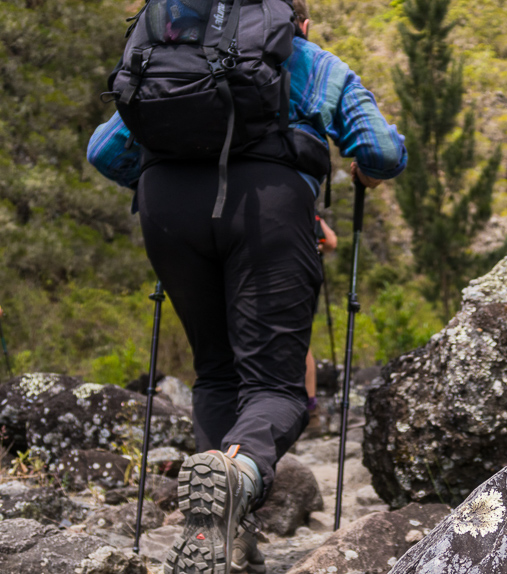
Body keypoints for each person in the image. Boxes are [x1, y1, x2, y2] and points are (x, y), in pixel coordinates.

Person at [87, 0, 406, 571]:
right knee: (277, 389)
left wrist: (172, 180)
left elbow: (104, 150)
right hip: (267, 208)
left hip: (166, 206)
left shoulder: (171, 50)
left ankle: (220, 534)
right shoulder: (308, 59)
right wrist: (367, 172)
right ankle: (239, 470)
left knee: (216, 371)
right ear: (294, 22)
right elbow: (380, 150)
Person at [305, 214, 337, 430]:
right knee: (301, 342)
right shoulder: (311, 214)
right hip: (306, 282)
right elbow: (330, 242)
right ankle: (311, 408)